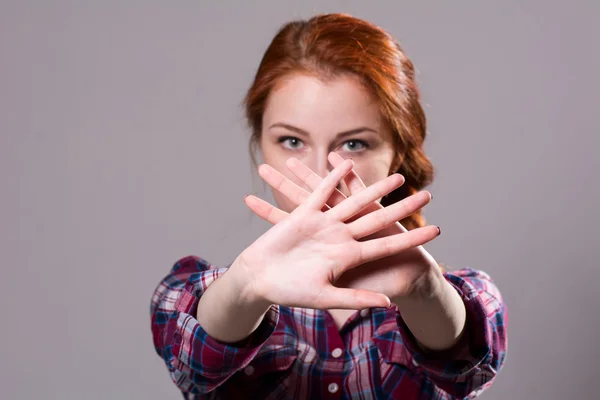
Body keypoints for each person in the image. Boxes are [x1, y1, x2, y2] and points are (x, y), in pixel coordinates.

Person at [150, 13, 507, 399]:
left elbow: (467, 371)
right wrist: (246, 287)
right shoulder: (195, 294)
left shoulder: (462, 300)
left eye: (354, 144)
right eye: (291, 141)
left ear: (398, 154)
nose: (322, 174)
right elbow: (190, 363)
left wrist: (422, 289)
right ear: (259, 148)